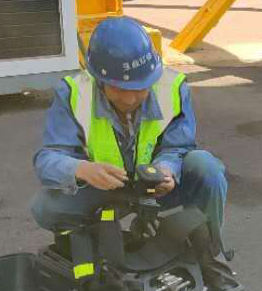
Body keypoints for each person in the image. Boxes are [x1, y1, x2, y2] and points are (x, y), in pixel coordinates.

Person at [30, 16, 231, 276]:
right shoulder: (72, 94)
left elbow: (179, 147)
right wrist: (81, 169)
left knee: (207, 167)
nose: (130, 98)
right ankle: (92, 247)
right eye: (118, 88)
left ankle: (208, 254)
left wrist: (167, 170)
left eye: (140, 88)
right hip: (103, 190)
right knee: (46, 207)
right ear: (99, 79)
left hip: (155, 187)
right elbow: (47, 159)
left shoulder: (173, 87)